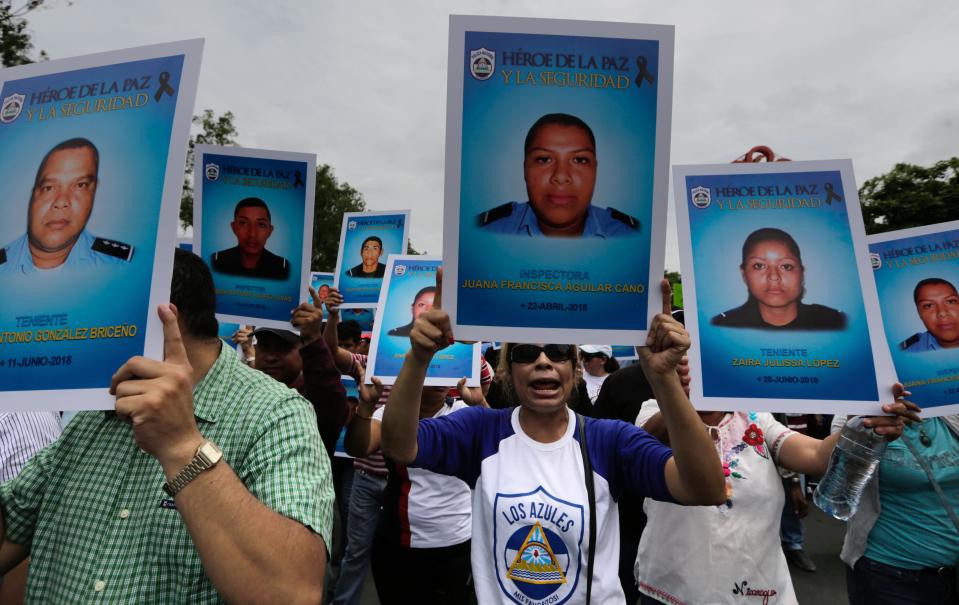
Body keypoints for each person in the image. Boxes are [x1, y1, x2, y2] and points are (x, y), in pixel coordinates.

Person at [0, 249, 333, 602]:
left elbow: (294, 592)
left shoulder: (275, 415)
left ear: (163, 318)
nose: (81, 325)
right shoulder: (94, 412)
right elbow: (13, 525)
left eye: (98, 308)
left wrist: (181, 445)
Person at [381, 274, 726, 603]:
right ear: (507, 370)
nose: (543, 361)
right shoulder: (480, 432)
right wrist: (419, 356)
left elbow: (705, 488)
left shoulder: (609, 441)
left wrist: (664, 379)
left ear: (574, 368)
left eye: (559, 351)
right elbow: (399, 445)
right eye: (526, 353)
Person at [634, 390, 916, 604]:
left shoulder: (754, 415)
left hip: (758, 586)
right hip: (675, 587)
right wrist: (680, 401)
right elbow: (643, 446)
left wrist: (865, 424)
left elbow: (815, 455)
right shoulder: (655, 410)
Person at [345, 370, 474, 604]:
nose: (439, 379)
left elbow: (501, 448)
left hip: (455, 546)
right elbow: (358, 447)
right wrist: (365, 408)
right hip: (398, 545)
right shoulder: (391, 414)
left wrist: (481, 402)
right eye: (428, 367)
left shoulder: (464, 412)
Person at [838, 411, 959, 604]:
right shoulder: (860, 418)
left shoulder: (950, 413)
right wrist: (864, 433)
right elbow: (840, 489)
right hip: (888, 576)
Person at [477, 113, 641, 238]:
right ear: (525, 169)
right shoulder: (482, 232)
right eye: (544, 159)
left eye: (579, 159)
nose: (561, 176)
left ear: (595, 170)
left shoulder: (633, 236)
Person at [0, 137, 134, 274]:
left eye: (80, 185)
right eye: (49, 187)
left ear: (94, 191)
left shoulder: (123, 265)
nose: (61, 202)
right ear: (33, 194)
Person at [247, 285, 348, 459]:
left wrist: (313, 338)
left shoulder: (312, 396)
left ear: (303, 349)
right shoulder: (246, 394)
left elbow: (331, 408)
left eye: (282, 348)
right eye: (264, 347)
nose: (271, 357)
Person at [712, 227, 846, 330]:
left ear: (802, 273)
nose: (774, 277)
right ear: (744, 274)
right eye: (759, 266)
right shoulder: (722, 326)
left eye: (786, 266)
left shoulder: (836, 322)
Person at [210, 197, 290, 280]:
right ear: (233, 227)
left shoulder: (283, 267)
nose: (252, 234)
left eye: (261, 224)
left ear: (270, 230)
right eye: (243, 223)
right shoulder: (215, 261)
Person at [900, 277, 959, 351]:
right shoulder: (906, 350)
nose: (942, 313)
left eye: (951, 301)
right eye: (928, 305)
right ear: (919, 313)